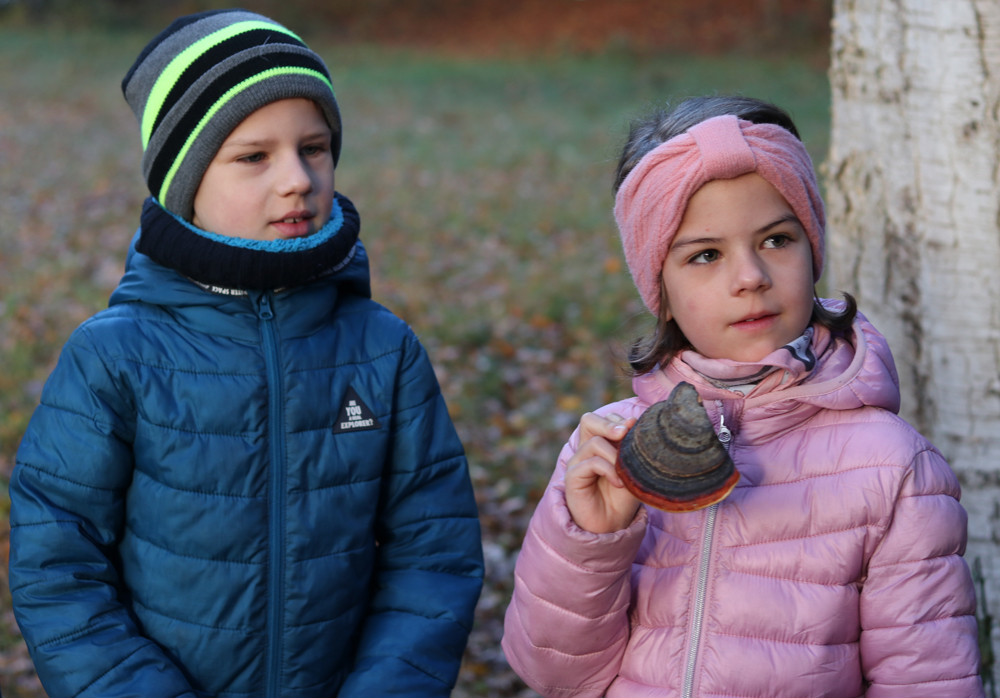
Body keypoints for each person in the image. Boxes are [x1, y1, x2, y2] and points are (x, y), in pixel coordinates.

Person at [8, 10, 483, 697]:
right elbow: (57, 566)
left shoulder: (383, 351)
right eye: (254, 156)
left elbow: (433, 554)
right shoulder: (115, 358)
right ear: (186, 183)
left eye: (313, 148)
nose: (296, 178)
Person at [502, 96, 984, 697]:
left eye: (778, 240)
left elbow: (929, 683)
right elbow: (552, 674)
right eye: (705, 255)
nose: (751, 275)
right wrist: (593, 541)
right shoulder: (606, 451)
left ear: (814, 251)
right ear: (662, 290)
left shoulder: (892, 468)